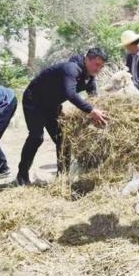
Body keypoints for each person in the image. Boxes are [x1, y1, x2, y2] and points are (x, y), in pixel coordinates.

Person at [17, 48, 108, 186]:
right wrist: (90, 110)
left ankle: (62, 178)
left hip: (52, 105)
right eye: (96, 64)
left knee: (64, 139)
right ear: (87, 59)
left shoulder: (90, 77)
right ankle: (22, 176)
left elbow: (94, 98)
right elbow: (70, 93)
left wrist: (101, 111)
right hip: (34, 101)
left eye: (101, 66)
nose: (99, 68)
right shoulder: (71, 69)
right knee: (36, 137)